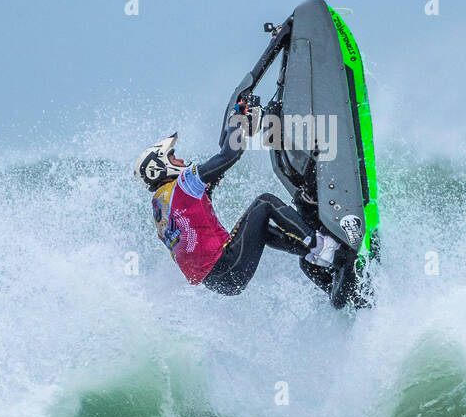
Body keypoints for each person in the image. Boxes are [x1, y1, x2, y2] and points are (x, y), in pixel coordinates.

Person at [134, 101, 339, 295]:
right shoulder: (182, 185)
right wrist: (237, 118)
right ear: (158, 167)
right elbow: (228, 155)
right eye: (172, 157)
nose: (179, 159)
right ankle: (320, 247)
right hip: (227, 263)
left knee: (262, 229)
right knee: (264, 203)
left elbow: (195, 218)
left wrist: (214, 177)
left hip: (217, 281)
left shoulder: (162, 204)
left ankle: (314, 255)